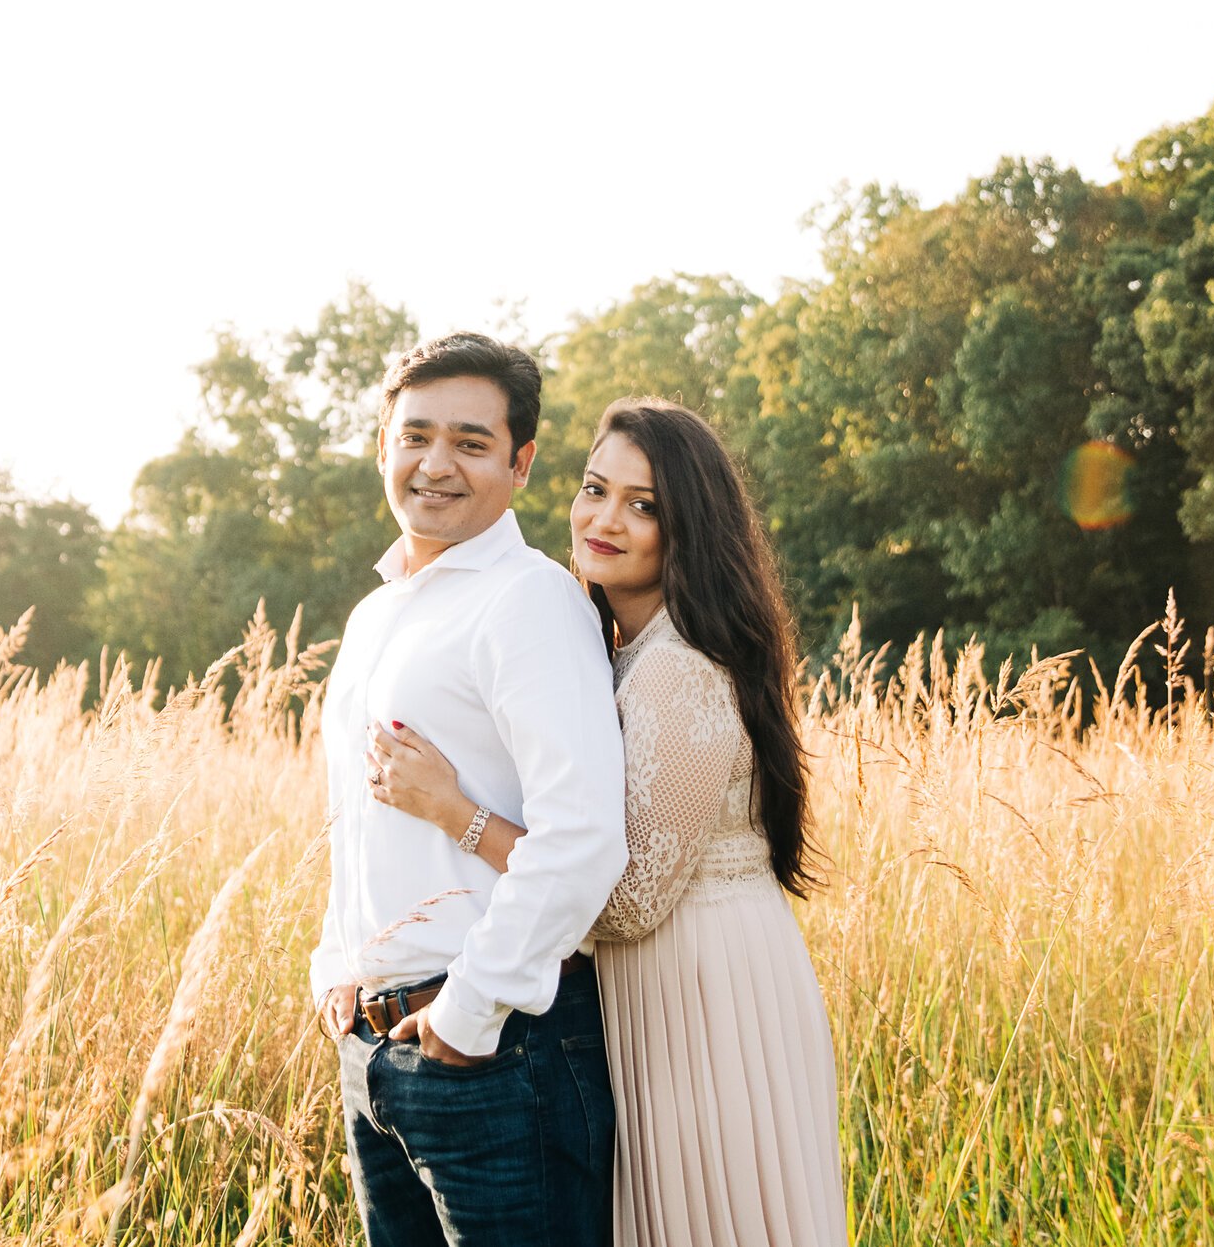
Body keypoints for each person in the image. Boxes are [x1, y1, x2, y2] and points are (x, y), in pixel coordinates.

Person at [369, 396, 847, 1247]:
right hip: (657, 985)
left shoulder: (679, 669)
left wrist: (458, 812)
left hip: (704, 992)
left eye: (645, 505)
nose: (605, 519)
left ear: (688, 528)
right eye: (596, 489)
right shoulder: (620, 650)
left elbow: (625, 901)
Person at [311, 332, 629, 1247]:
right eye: (415, 436)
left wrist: (468, 1012)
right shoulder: (376, 616)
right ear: (383, 446)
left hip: (499, 1048)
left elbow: (582, 839)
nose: (436, 465)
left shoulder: (528, 601)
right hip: (374, 1049)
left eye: (471, 442)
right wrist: (340, 964)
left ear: (521, 463)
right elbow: (354, 817)